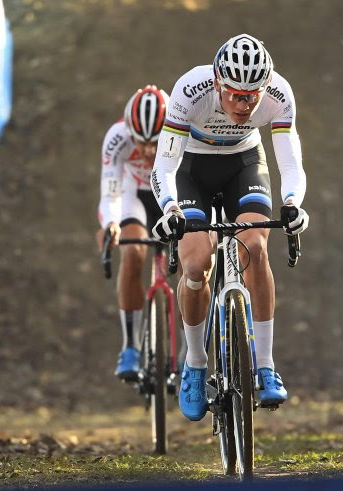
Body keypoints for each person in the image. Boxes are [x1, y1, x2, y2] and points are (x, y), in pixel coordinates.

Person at [149, 34, 309, 421]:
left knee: (254, 247)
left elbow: (289, 163)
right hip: (192, 169)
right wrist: (170, 207)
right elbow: (164, 166)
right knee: (195, 264)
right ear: (219, 83)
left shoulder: (279, 93)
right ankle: (196, 364)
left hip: (243, 164)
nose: (243, 104)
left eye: (252, 96)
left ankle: (266, 364)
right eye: (235, 95)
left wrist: (292, 204)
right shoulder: (189, 89)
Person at [96, 85, 168, 381]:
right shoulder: (117, 138)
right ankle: (131, 347)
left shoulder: (184, 131)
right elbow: (110, 190)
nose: (149, 150)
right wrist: (110, 224)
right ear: (129, 131)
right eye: (142, 142)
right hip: (133, 196)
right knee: (133, 252)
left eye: (156, 141)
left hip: (171, 195)